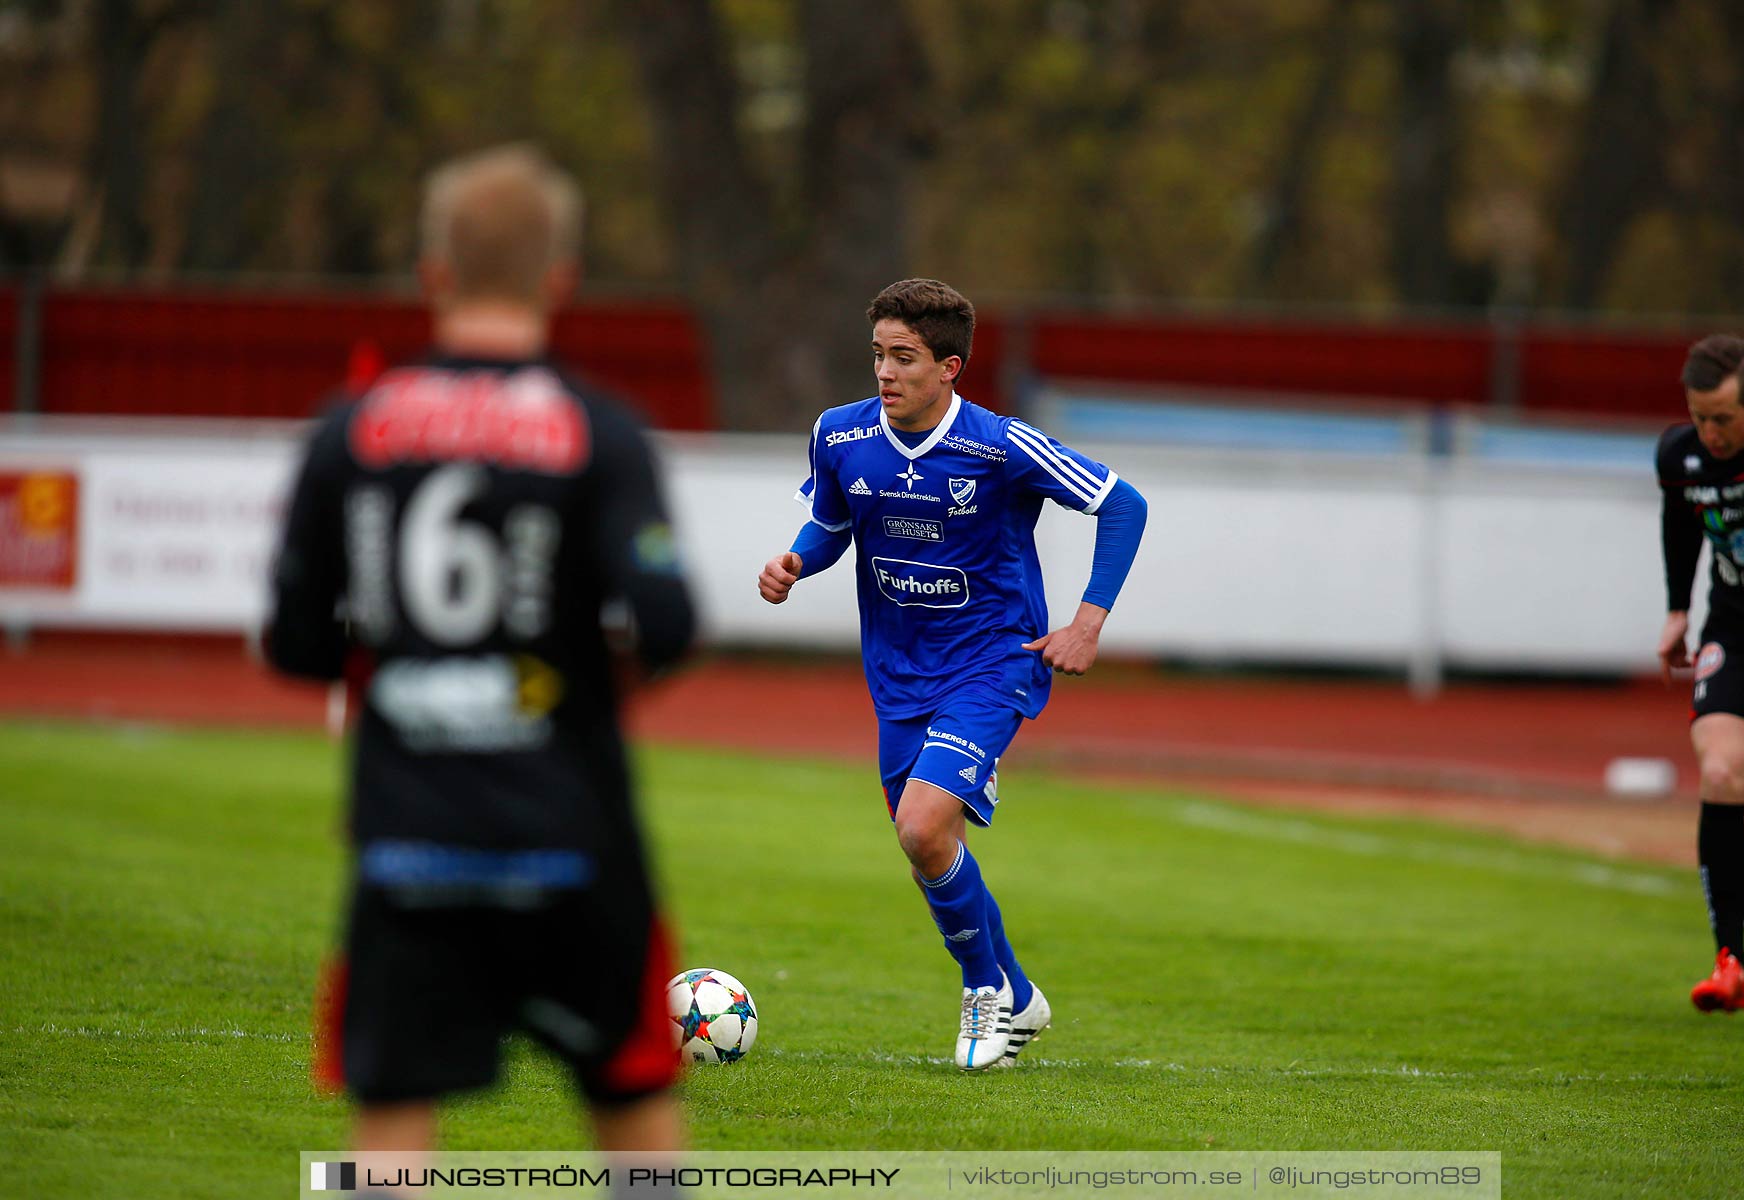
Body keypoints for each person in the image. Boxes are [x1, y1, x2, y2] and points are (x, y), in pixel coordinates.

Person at [267, 144, 697, 1154]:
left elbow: (294, 644)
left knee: (389, 1124)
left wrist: (404, 669)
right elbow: (668, 626)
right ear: (561, 279)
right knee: (631, 1100)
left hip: (406, 839)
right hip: (571, 834)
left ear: (433, 274)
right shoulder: (602, 430)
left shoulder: (351, 429)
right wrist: (565, 690)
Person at [758, 278, 1148, 1070]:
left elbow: (1124, 504)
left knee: (922, 826)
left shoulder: (1000, 445)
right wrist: (799, 558)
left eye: (904, 358)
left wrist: (1087, 622)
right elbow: (833, 523)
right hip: (898, 674)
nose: (885, 373)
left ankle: (981, 997)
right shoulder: (839, 436)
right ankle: (1019, 992)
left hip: (992, 659)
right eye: (878, 356)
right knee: (927, 852)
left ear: (951, 368)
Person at [1656, 333, 1744, 1014]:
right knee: (1719, 771)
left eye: (1722, 418)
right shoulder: (1679, 454)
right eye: (1699, 416)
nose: (1709, 432)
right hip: (1740, 637)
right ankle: (1730, 961)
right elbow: (1681, 526)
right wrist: (1678, 609)